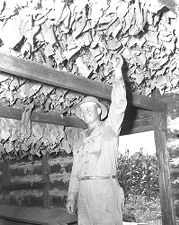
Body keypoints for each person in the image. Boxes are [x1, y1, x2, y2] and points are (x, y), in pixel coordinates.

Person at [66, 55, 127, 225]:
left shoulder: (109, 128)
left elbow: (119, 105)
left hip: (105, 191)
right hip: (84, 194)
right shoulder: (79, 139)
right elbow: (75, 171)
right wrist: (72, 196)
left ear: (99, 111)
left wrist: (117, 75)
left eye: (89, 109)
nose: (85, 113)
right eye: (82, 110)